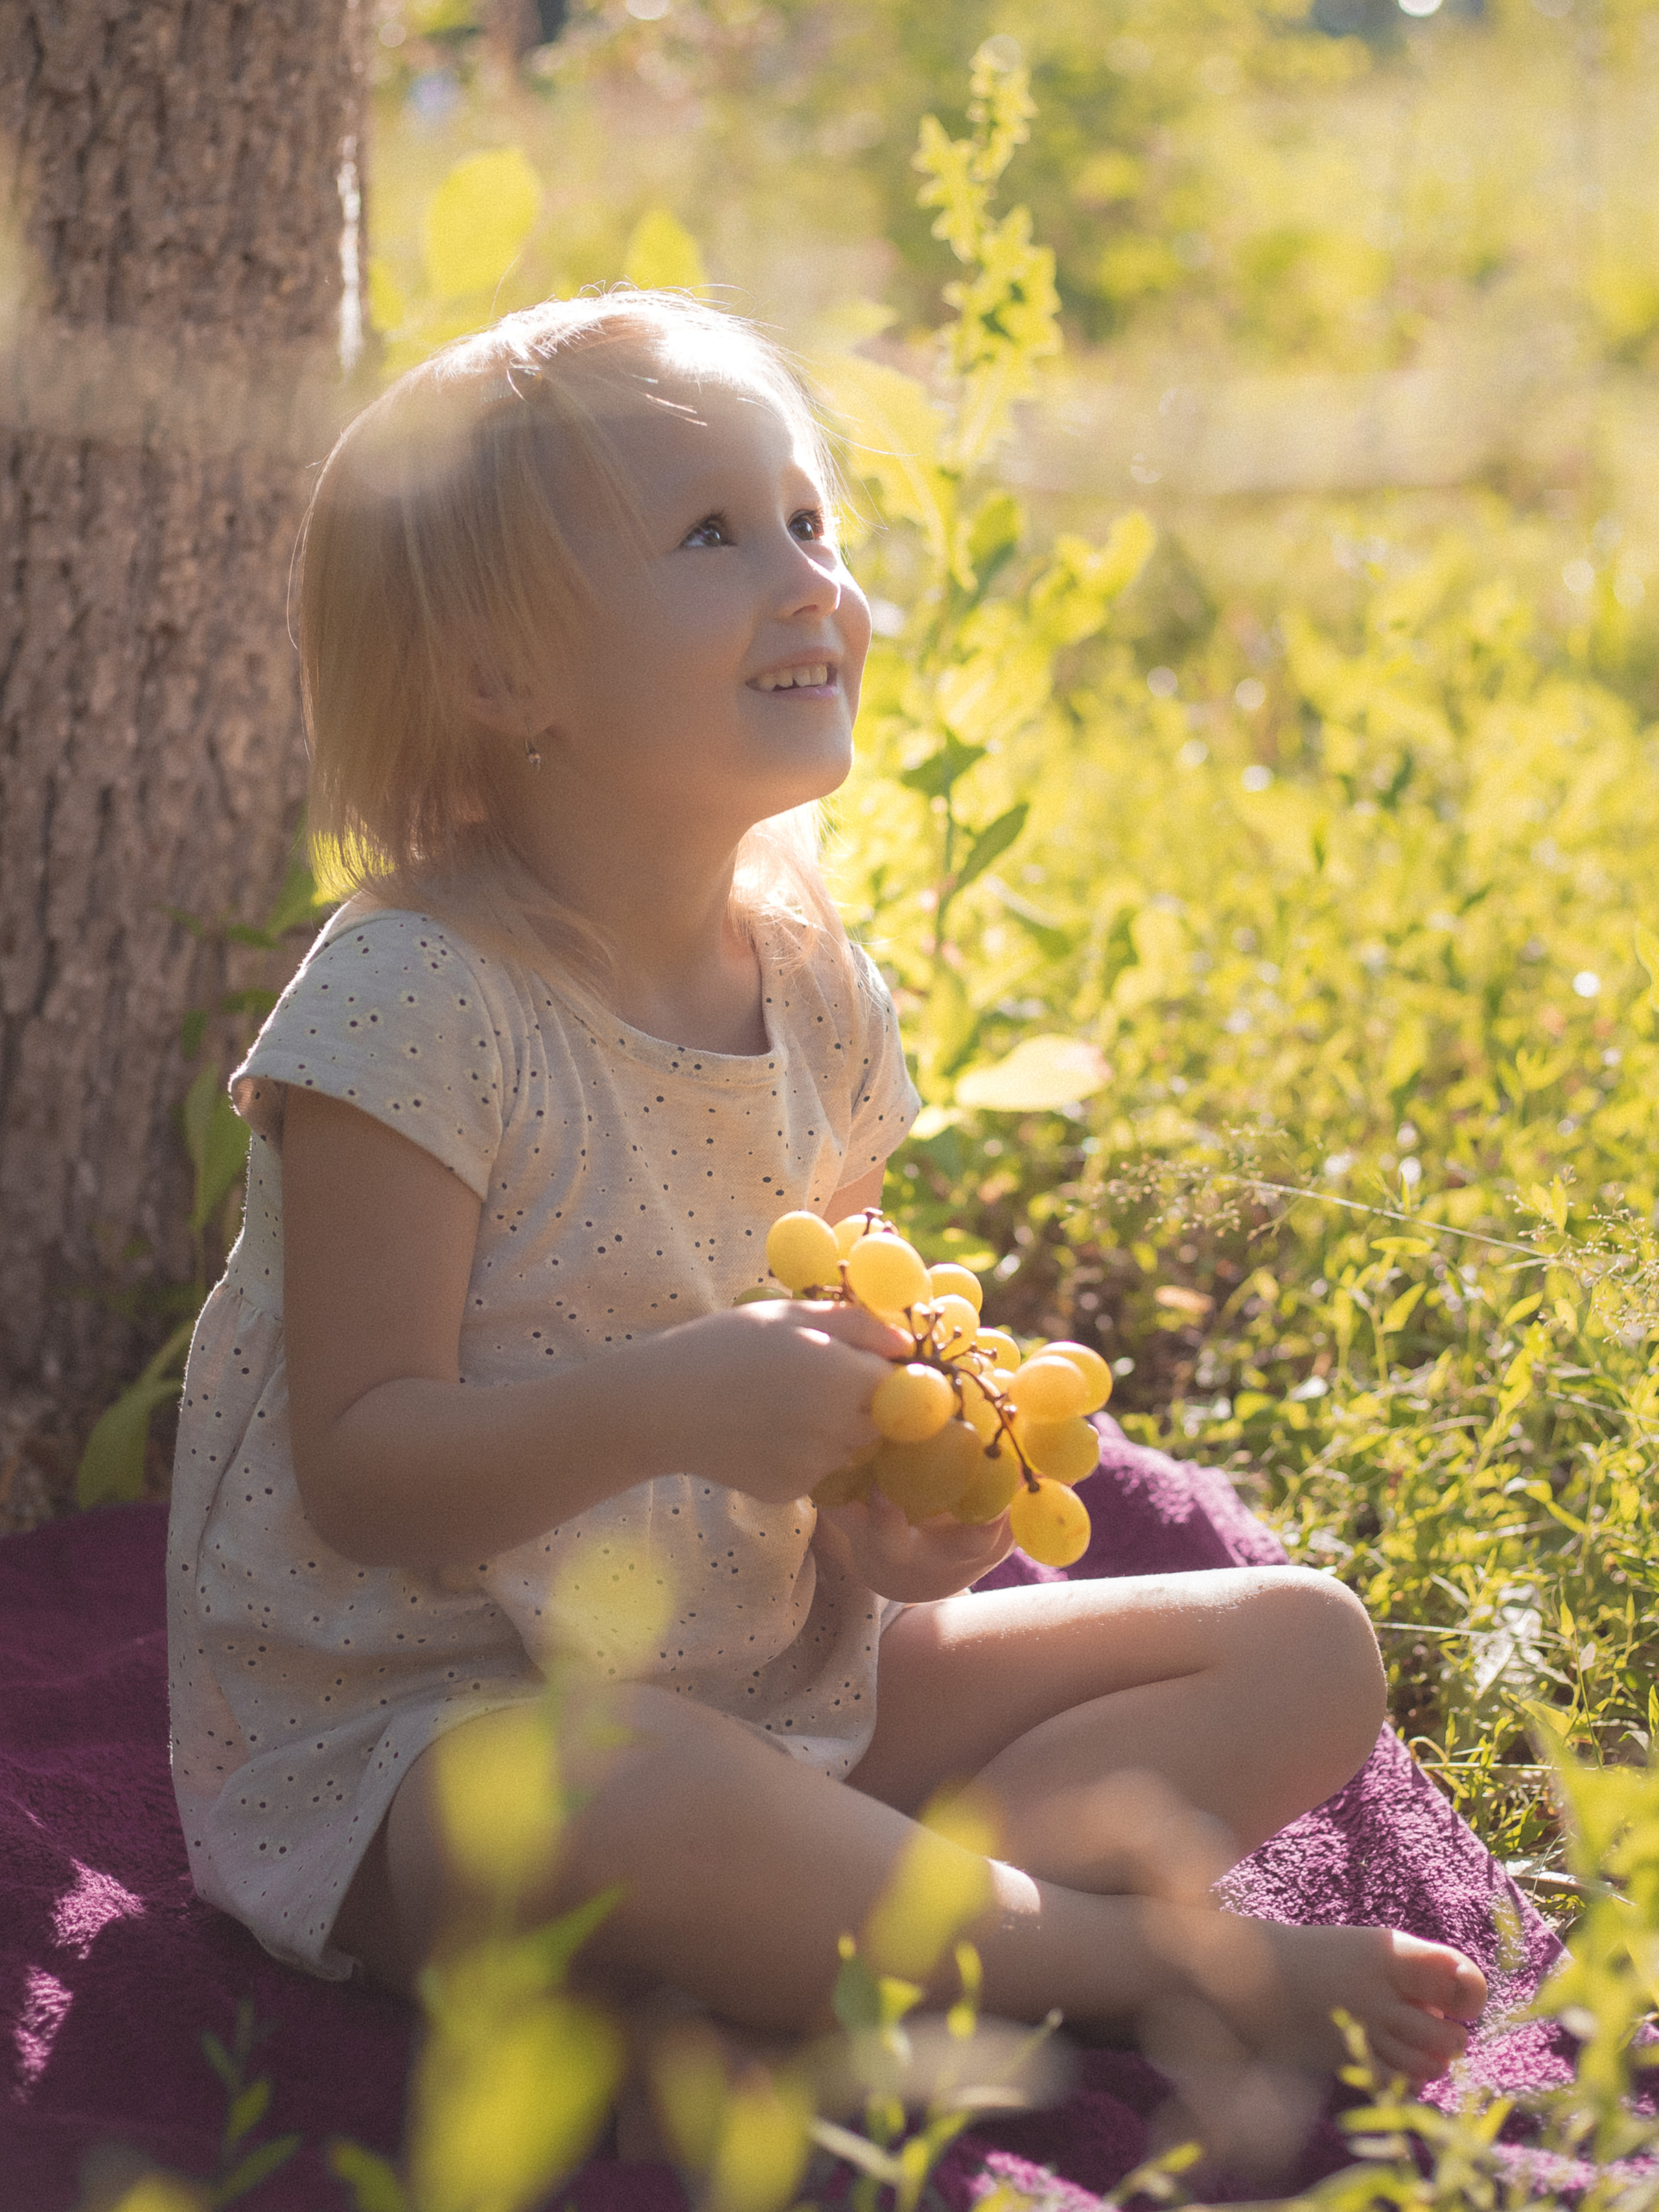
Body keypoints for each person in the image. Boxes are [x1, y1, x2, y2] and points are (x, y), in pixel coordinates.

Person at [166, 290, 1485, 2102]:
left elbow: (845, 1437)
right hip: (431, 1748)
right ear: (501, 677)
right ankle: (1131, 1959)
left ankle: (868, 1949)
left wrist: (897, 1523)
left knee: (1305, 1644)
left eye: (808, 521)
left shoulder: (815, 989)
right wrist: (673, 1402)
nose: (808, 581)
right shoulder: (412, 996)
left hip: (768, 1690)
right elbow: (363, 1468)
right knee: (622, 1781)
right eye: (713, 535)